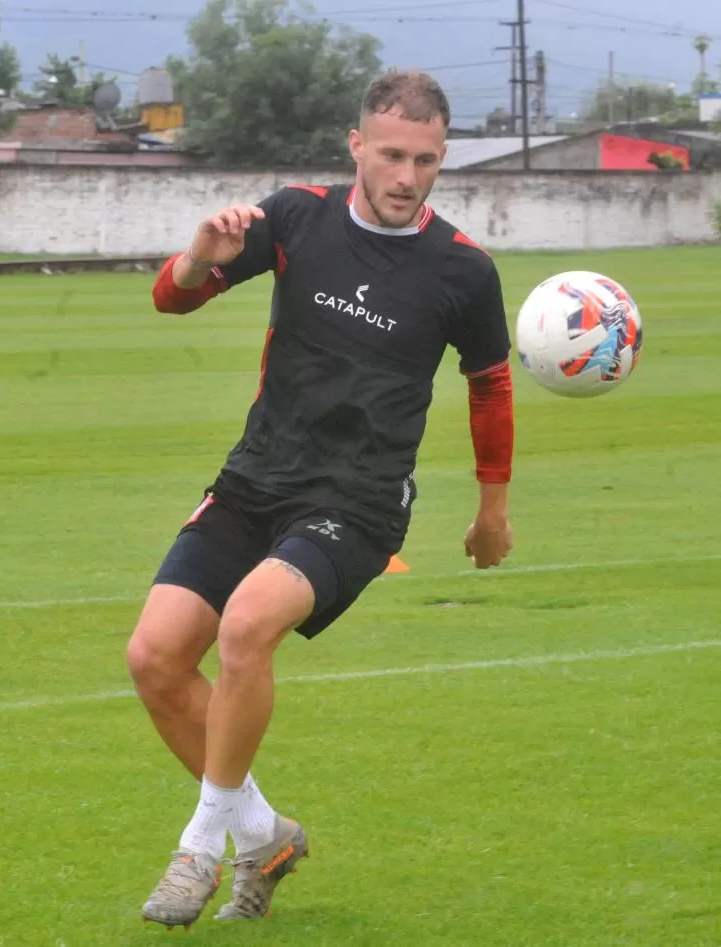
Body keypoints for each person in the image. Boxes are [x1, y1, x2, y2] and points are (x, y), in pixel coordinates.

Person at [127, 68, 515, 930]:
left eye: (424, 161)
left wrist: (492, 509)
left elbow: (490, 385)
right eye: (391, 156)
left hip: (359, 501)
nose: (406, 177)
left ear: (443, 158)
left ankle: (199, 847)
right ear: (356, 146)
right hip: (256, 476)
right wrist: (198, 256)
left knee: (246, 625)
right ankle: (266, 836)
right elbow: (171, 300)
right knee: (154, 658)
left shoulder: (463, 269)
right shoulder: (295, 217)